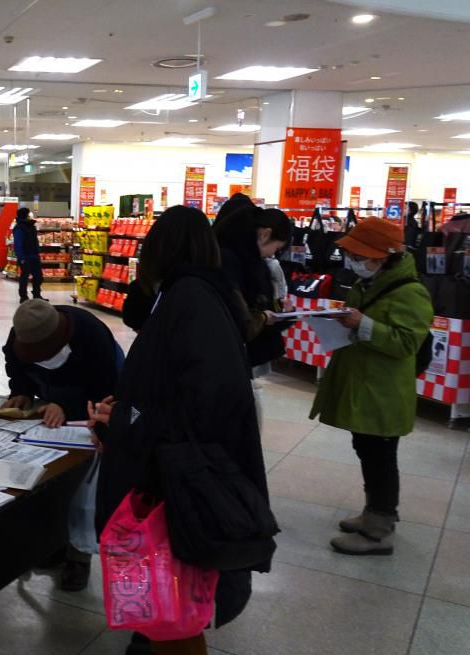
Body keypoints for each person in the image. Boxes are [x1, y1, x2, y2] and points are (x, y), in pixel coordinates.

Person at [89, 206, 269, 655]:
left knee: (178, 580)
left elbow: (204, 401)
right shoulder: (194, 293)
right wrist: (128, 409)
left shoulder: (190, 298)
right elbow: (173, 383)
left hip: (180, 474)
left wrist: (133, 421)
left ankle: (162, 638)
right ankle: (151, 634)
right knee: (168, 583)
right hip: (178, 464)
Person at [310, 218, 433, 556]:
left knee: (380, 456)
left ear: (385, 256)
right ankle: (374, 513)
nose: (353, 261)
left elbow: (406, 342)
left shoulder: (411, 292)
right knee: (367, 449)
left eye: (359, 255)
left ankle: (378, 530)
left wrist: (363, 325)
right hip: (367, 384)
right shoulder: (371, 284)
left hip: (384, 390)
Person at [2, 299, 122, 591]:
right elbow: (17, 368)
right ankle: (52, 543)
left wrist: (66, 406)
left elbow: (105, 392)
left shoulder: (92, 336)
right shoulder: (21, 333)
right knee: (47, 475)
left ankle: (78, 557)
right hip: (50, 414)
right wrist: (21, 392)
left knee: (83, 483)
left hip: (92, 410)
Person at [214, 205, 293, 374]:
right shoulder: (234, 261)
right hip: (234, 356)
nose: (273, 254)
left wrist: (281, 312)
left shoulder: (249, 260)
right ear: (265, 234)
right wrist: (264, 316)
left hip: (245, 353)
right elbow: (237, 315)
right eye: (276, 248)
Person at [12, 207, 45, 302]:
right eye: (29, 214)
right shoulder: (19, 228)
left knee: (38, 276)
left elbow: (35, 241)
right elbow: (18, 244)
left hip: (34, 255)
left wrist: (38, 251)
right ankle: (23, 296)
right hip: (25, 257)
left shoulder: (31, 226)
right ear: (26, 215)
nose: (30, 216)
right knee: (24, 277)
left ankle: (37, 294)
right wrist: (21, 258)